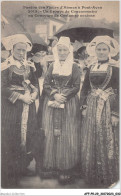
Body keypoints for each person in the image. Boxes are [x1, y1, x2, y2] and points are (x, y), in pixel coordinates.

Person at [80, 36, 119, 187]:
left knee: (107, 137)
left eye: (104, 49)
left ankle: (107, 174)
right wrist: (83, 107)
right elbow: (85, 89)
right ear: (94, 51)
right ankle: (92, 174)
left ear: (109, 51)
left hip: (108, 106)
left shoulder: (116, 68)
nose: (101, 52)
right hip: (91, 106)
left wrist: (116, 113)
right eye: (99, 49)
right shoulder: (91, 67)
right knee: (91, 136)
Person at [41, 37, 81, 183]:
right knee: (51, 132)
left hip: (68, 103)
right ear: (56, 51)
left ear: (69, 51)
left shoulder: (75, 66)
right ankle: (53, 166)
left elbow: (76, 86)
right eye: (60, 50)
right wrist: (55, 94)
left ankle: (66, 167)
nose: (62, 52)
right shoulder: (52, 65)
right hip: (52, 101)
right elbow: (45, 84)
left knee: (67, 132)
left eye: (64, 50)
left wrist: (64, 96)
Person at [1, 34, 39, 187]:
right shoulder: (5, 66)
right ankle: (9, 175)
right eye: (18, 50)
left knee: (27, 135)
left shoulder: (29, 66)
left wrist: (35, 94)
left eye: (24, 50)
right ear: (12, 49)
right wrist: (21, 97)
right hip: (12, 108)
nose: (21, 53)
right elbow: (2, 88)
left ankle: (21, 167)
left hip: (28, 107)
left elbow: (35, 84)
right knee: (11, 136)